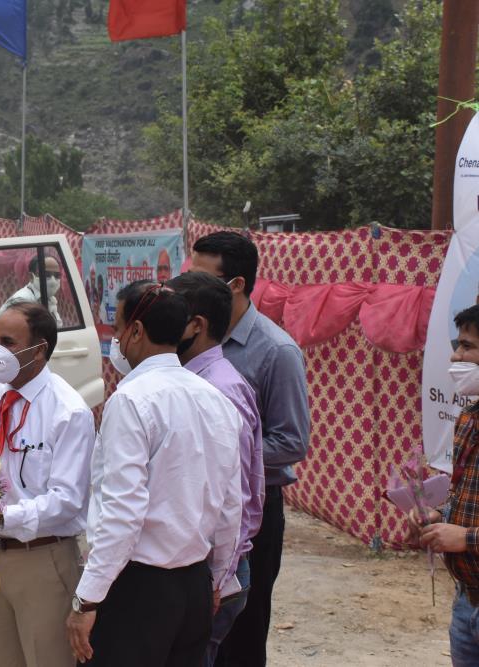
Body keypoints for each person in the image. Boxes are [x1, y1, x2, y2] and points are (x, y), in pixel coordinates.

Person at [66, 281, 242, 666]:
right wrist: (220, 578)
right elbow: (232, 506)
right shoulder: (216, 401)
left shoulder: (131, 400)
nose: (116, 340)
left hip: (137, 589)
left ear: (137, 331)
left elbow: (122, 514)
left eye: (117, 329)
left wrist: (87, 599)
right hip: (194, 584)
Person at [190, 231, 310, 667]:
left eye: (199, 277)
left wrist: (225, 453)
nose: (188, 288)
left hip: (253, 512)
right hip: (199, 507)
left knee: (243, 628)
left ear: (235, 285)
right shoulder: (192, 336)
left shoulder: (275, 351)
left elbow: (292, 440)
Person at [0, 302, 95, 667]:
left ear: (39, 349)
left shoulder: (68, 411)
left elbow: (68, 500)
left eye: (8, 342)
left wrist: (1, 517)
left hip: (43, 559)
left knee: (49, 659)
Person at [166, 271, 264, 665]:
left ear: (195, 326)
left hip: (211, 574)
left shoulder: (219, 390)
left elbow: (236, 495)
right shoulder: (194, 381)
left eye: (167, 314)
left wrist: (218, 578)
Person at [413, 305, 479, 665]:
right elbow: (464, 497)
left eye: (467, 347)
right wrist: (438, 515)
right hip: (468, 600)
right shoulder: (469, 418)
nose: (456, 355)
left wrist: (465, 538)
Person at [0, 256, 64, 338]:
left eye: (57, 276)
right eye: (46, 275)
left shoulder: (48, 298)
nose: (53, 281)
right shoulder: (23, 300)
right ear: (31, 277)